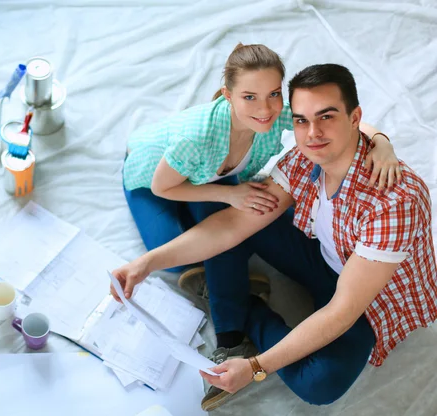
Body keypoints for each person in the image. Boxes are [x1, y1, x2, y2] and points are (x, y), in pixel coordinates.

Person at [112, 64, 437, 410]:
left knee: (320, 384)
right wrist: (146, 263)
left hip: (369, 301)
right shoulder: (303, 158)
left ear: (355, 117)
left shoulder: (394, 203)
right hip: (323, 255)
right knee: (235, 205)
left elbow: (342, 310)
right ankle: (231, 320)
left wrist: (255, 368)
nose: (313, 133)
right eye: (301, 120)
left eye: (326, 117)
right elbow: (232, 225)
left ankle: (244, 309)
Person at [123, 43, 400, 303]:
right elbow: (163, 187)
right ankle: (227, 286)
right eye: (249, 97)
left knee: (246, 219)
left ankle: (226, 278)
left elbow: (337, 118)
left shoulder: (276, 114)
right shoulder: (195, 138)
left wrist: (382, 143)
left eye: (274, 94)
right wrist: (230, 194)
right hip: (153, 182)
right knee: (178, 260)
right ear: (228, 96)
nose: (265, 109)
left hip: (209, 175)